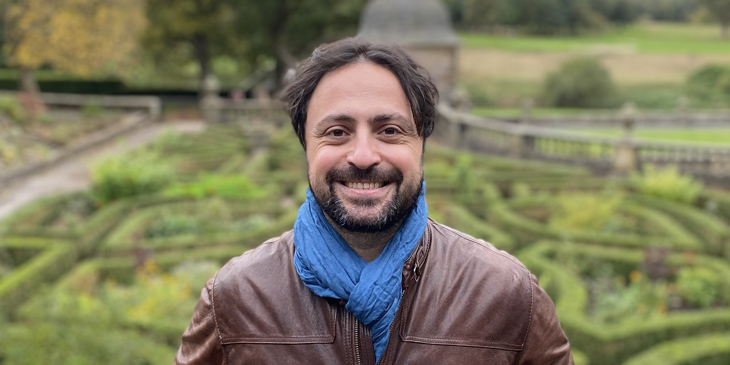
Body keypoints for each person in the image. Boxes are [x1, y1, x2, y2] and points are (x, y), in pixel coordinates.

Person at [176, 38, 574, 365]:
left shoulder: (505, 294)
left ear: (422, 145)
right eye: (336, 131)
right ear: (305, 146)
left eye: (389, 130)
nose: (363, 155)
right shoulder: (235, 298)